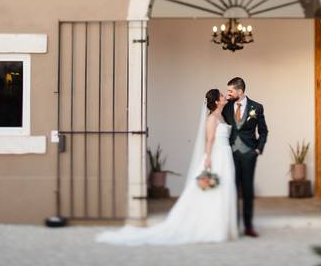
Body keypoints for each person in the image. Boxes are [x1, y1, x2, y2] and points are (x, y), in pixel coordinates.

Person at [96, 89, 237, 245]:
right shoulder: (212, 118)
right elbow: (209, 139)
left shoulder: (222, 116)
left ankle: (221, 226)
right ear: (217, 101)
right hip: (216, 155)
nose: (224, 96)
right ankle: (211, 227)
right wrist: (208, 157)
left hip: (225, 155)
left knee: (224, 188)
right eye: (222, 95)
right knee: (212, 190)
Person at [221, 76, 268, 238]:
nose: (228, 93)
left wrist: (258, 150)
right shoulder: (226, 107)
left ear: (240, 91)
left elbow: (263, 131)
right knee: (232, 189)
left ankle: (248, 227)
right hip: (231, 154)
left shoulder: (257, 107)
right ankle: (234, 226)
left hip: (249, 154)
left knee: (248, 191)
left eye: (230, 91)